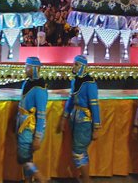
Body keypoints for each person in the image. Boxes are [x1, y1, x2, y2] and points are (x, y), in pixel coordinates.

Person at [57, 55, 100, 183]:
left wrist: (96, 127)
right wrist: (64, 118)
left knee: (79, 151)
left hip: (85, 121)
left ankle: (87, 180)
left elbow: (94, 105)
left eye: (76, 64)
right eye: (73, 64)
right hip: (75, 118)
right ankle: (82, 178)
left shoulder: (90, 83)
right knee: (77, 149)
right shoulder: (75, 81)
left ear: (82, 66)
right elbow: (71, 99)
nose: (73, 66)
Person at [17, 56, 49, 183]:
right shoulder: (27, 83)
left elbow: (41, 114)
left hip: (30, 128)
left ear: (35, 68)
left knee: (23, 158)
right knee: (27, 158)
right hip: (23, 125)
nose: (25, 69)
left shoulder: (40, 88)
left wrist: (37, 137)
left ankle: (41, 178)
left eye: (28, 66)